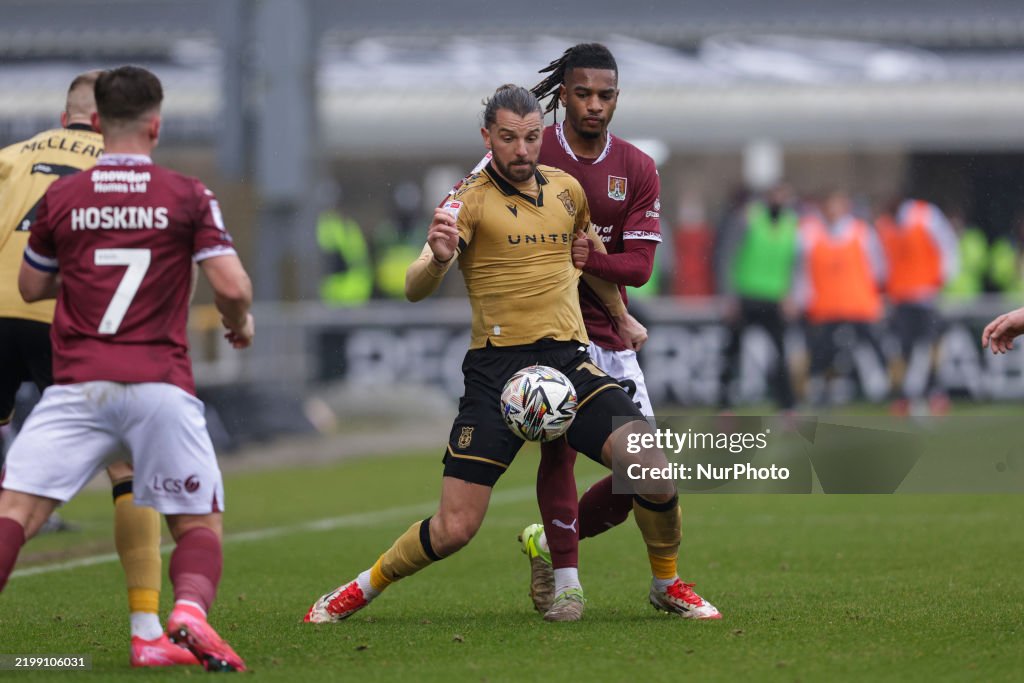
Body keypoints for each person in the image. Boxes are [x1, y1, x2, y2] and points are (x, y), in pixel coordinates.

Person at [304, 84, 719, 625]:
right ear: (487, 138)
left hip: (570, 361)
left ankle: (665, 584)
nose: (521, 150)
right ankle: (362, 587)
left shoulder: (569, 191)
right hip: (498, 371)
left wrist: (620, 316)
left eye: (530, 137)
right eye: (507, 138)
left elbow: (588, 260)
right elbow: (414, 285)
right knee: (455, 527)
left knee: (650, 467)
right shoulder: (466, 200)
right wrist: (437, 259)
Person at [0, 66, 253, 672]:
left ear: (89, 122)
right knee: (197, 522)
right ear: (156, 125)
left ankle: (150, 629)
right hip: (157, 384)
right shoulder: (187, 193)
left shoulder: (61, 196)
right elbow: (232, 285)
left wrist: (86, 275)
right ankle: (180, 616)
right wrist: (238, 321)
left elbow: (32, 284)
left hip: (80, 381)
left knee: (16, 514)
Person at [514, 43, 717, 622]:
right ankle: (576, 581)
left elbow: (639, 268)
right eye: (582, 93)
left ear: (617, 98)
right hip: (545, 338)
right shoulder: (534, 150)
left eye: (604, 95)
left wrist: (588, 258)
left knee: (646, 477)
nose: (594, 105)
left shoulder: (636, 168)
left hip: (610, 338)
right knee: (557, 457)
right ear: (563, 94)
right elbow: (472, 193)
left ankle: (552, 544)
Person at [796, 190, 887, 407]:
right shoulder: (809, 233)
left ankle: (881, 390)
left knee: (871, 348)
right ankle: (818, 390)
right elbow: (800, 271)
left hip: (859, 306)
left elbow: (878, 268)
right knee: (821, 353)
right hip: (824, 308)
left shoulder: (861, 232)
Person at [717, 183, 800, 412]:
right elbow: (728, 256)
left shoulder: (791, 224)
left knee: (779, 355)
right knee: (732, 353)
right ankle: (725, 405)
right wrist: (730, 296)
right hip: (746, 295)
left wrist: (790, 294)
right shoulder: (749, 218)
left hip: (774, 298)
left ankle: (787, 406)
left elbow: (793, 263)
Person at [875, 197, 958, 415]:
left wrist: (943, 277)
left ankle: (933, 392)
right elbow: (883, 261)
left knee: (929, 347)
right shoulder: (885, 225)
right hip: (901, 296)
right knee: (905, 349)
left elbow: (947, 244)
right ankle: (907, 396)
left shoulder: (925, 215)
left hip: (926, 294)